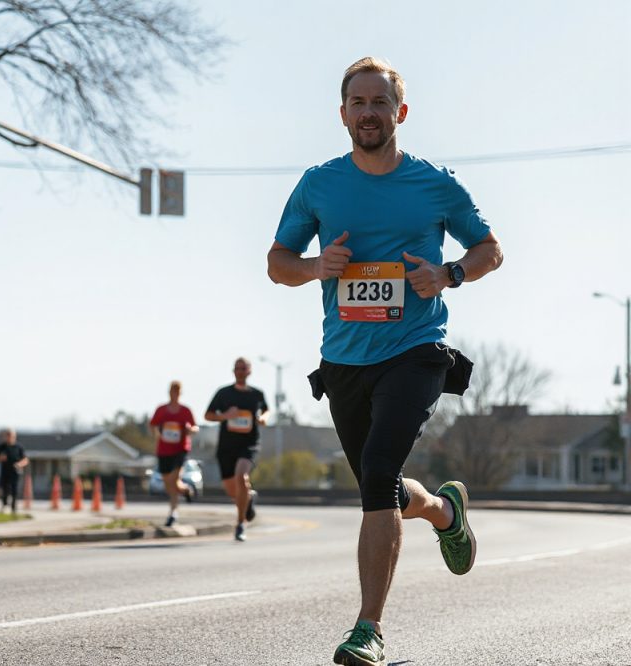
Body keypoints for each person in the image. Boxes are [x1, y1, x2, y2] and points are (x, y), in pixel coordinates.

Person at [267, 56, 503, 666]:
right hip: (344, 359)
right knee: (385, 487)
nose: (369, 113)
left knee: (376, 474)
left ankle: (367, 629)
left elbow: (489, 249)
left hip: (417, 350)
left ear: (400, 112)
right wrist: (316, 267)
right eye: (358, 103)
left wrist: (448, 273)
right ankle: (445, 511)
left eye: (380, 103)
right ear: (342, 113)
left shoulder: (434, 183)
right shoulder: (319, 184)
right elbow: (277, 264)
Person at [204, 358, 269, 542]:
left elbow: (266, 410)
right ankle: (248, 500)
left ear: (249, 371)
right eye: (237, 368)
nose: (240, 371)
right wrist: (225, 415)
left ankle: (240, 524)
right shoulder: (224, 393)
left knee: (241, 476)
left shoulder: (257, 394)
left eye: (244, 368)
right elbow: (207, 415)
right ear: (233, 371)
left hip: (249, 444)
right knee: (233, 491)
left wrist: (263, 417)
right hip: (226, 446)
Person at [149, 380, 199, 527]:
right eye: (172, 391)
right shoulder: (161, 410)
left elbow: (195, 426)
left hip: (180, 449)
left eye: (177, 391)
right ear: (169, 392)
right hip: (164, 450)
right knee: (169, 483)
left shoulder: (185, 411)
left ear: (180, 393)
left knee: (173, 478)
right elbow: (152, 424)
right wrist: (156, 434)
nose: (175, 394)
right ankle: (186, 490)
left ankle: (173, 512)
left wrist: (191, 430)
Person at [0, 428, 28, 514]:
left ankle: (13, 507)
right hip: (4, 471)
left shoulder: (19, 447)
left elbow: (25, 460)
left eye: (11, 436)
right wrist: (0, 458)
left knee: (14, 490)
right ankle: (4, 505)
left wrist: (19, 464)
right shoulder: (1, 447)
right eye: (7, 435)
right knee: (4, 489)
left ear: (14, 437)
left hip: (15, 471)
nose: (9, 437)